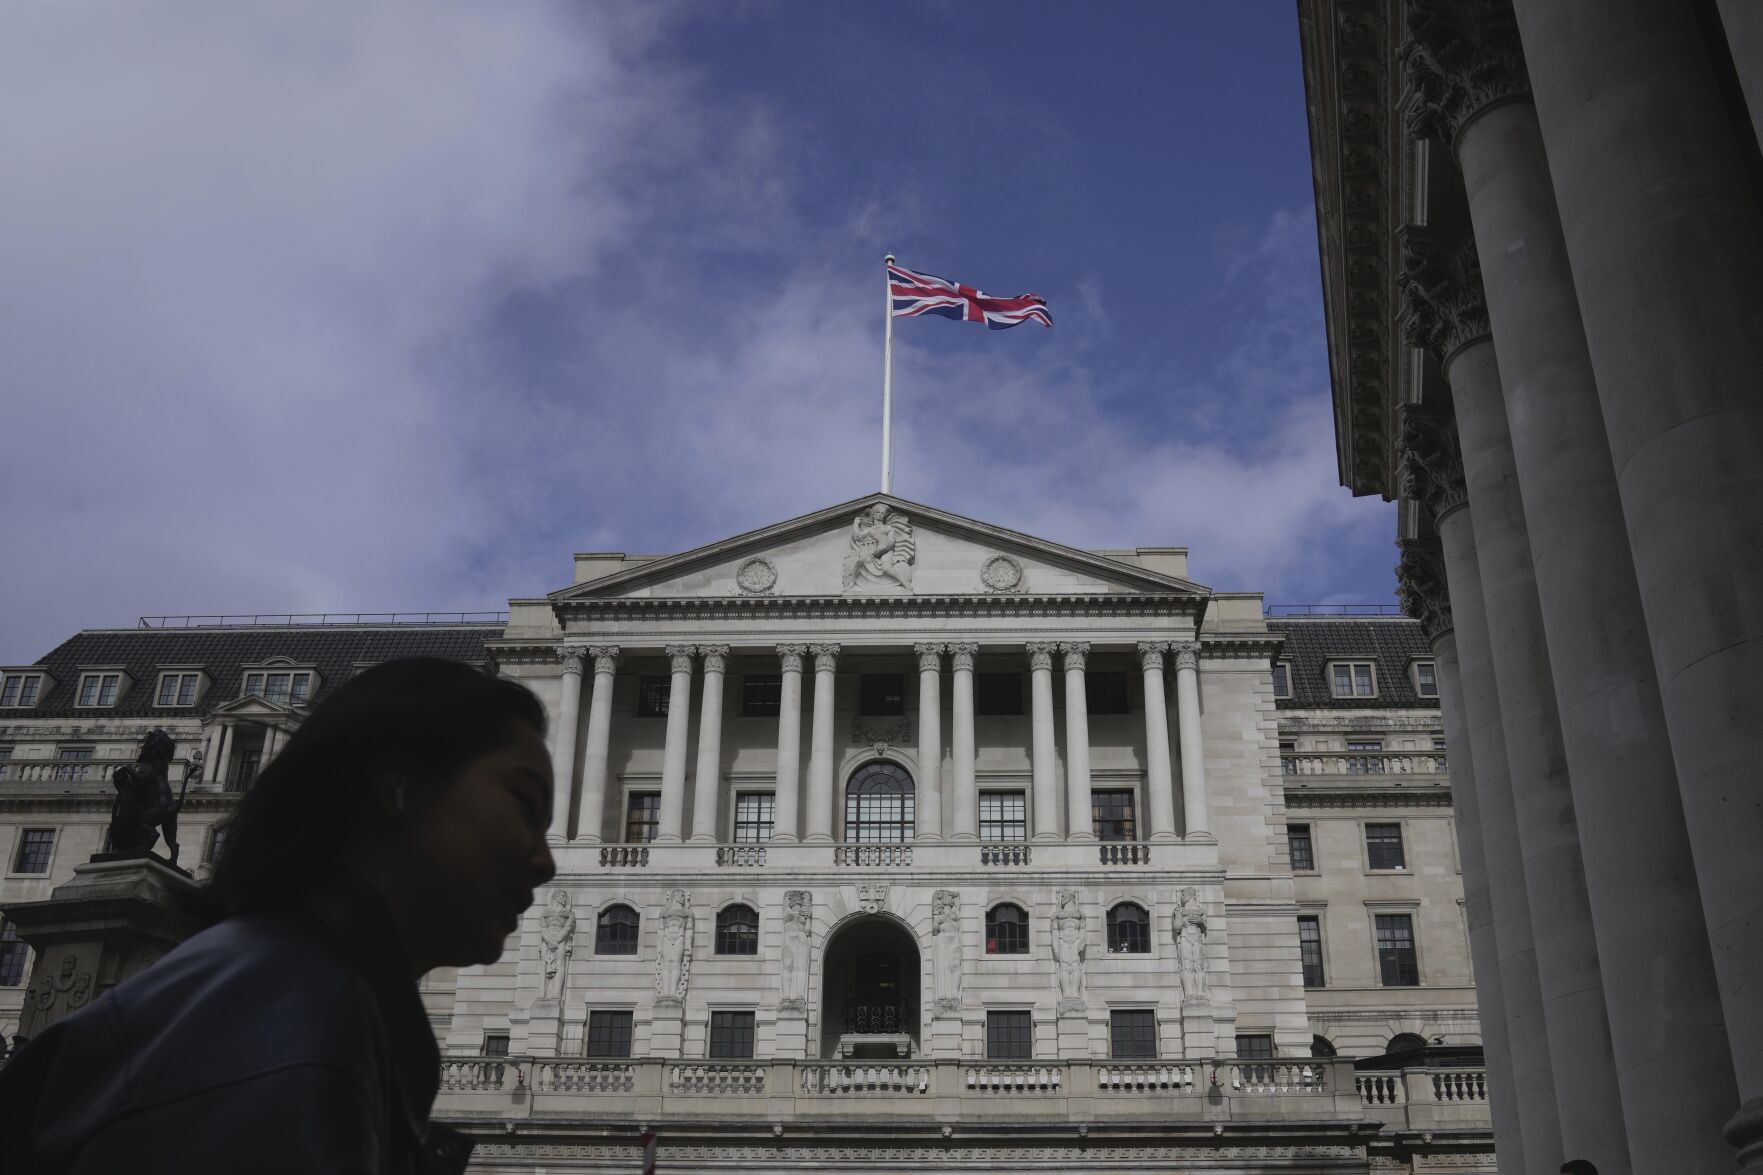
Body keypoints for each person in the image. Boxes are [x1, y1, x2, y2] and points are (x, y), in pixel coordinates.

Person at [0, 657, 556, 1174]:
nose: (546, 860)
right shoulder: (289, 1030)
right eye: (525, 804)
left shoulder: (284, 993)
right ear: (398, 788)